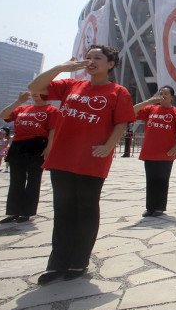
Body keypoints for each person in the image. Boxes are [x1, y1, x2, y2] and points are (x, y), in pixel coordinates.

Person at [28, 45, 135, 284]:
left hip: (92, 158)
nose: (91, 61)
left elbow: (122, 123)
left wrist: (109, 146)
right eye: (88, 57)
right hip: (63, 157)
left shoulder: (118, 92)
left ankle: (79, 261)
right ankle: (57, 264)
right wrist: (59, 68)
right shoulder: (70, 86)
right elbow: (34, 88)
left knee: (86, 209)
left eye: (97, 57)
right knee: (63, 210)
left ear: (110, 64)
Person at [0, 91, 59, 223]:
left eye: (40, 90)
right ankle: (13, 211)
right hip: (18, 145)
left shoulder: (51, 110)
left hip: (37, 145)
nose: (35, 93)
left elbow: (53, 129)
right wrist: (19, 101)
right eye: (34, 90)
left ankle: (27, 212)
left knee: (33, 180)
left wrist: (49, 148)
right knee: (16, 180)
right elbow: (3, 115)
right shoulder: (22, 108)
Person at [133, 85, 176, 217]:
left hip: (166, 152)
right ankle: (150, 208)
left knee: (162, 180)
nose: (163, 95)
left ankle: (159, 208)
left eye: (166, 93)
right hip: (149, 151)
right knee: (150, 180)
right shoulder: (150, 109)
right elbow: (132, 111)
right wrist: (148, 102)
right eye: (161, 93)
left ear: (172, 97)